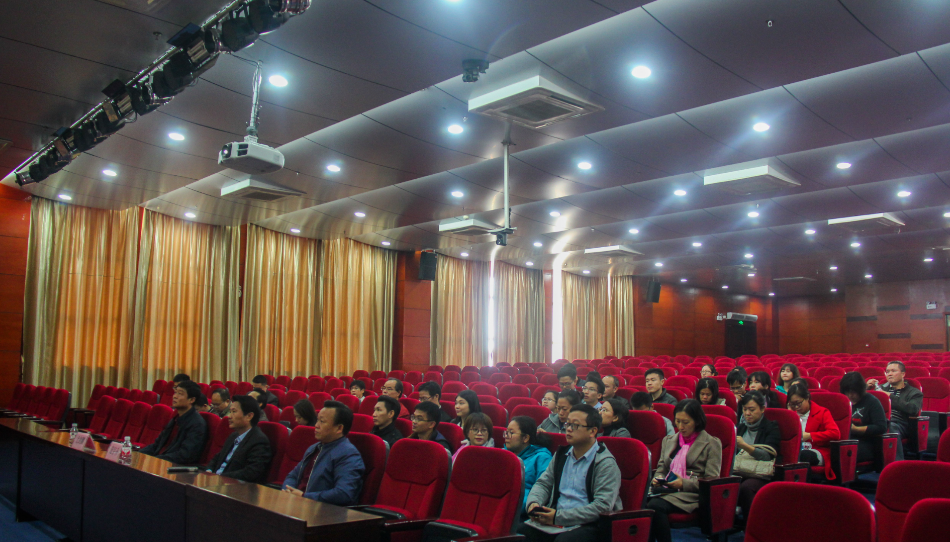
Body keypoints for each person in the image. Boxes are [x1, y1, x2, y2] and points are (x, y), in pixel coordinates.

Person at [519, 404, 622, 541]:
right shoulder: (561, 454)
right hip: (557, 519)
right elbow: (544, 483)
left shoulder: (605, 462)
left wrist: (558, 517)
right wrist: (534, 503)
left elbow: (602, 506)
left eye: (575, 425)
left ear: (592, 431)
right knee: (520, 532)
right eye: (568, 423)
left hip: (589, 524)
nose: (568, 429)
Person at [646, 400, 722, 542]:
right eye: (678, 421)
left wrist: (683, 483)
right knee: (641, 503)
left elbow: (711, 480)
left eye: (685, 422)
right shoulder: (669, 440)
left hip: (692, 494)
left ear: (697, 421)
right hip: (667, 488)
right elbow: (662, 467)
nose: (680, 426)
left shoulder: (712, 444)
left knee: (655, 506)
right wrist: (658, 478)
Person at [282, 401, 364, 505]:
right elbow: (293, 476)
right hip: (297, 504)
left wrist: (304, 497)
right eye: (317, 420)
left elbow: (344, 494)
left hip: (321, 510)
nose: (316, 425)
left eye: (322, 421)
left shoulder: (349, 455)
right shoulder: (314, 448)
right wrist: (288, 491)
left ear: (339, 428)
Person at [204, 395, 272, 483]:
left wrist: (220, 477)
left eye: (234, 412)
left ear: (249, 416)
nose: (229, 416)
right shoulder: (233, 436)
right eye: (230, 412)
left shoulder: (259, 441)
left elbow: (251, 472)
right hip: (216, 482)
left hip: (233, 486)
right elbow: (218, 458)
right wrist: (209, 470)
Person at [735, 392, 780, 522]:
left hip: (761, 473)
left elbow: (767, 455)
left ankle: (751, 525)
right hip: (740, 470)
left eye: (752, 409)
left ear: (762, 409)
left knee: (746, 487)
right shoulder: (741, 428)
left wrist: (745, 446)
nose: (747, 413)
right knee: (721, 482)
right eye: (745, 409)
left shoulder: (771, 427)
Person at [141, 381, 208, 465]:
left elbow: (185, 455)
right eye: (175, 392)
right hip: (160, 461)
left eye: (180, 394)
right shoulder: (175, 419)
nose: (175, 396)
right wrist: (138, 454)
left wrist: (155, 460)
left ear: (191, 400)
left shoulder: (197, 424)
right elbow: (157, 445)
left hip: (173, 467)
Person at [868, 361, 923, 461]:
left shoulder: (914, 392)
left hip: (899, 423)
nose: (889, 374)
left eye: (893, 371)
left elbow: (913, 409)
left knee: (890, 427)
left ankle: (896, 464)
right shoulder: (879, 389)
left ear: (903, 374)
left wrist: (889, 396)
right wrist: (865, 389)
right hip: (876, 420)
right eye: (887, 371)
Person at [786, 383, 839, 481]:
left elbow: (835, 434)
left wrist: (810, 436)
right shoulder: (792, 415)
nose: (796, 407)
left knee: (802, 456)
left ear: (807, 398)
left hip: (817, 450)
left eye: (798, 403)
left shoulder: (822, 412)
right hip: (797, 449)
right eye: (793, 404)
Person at [505, 416, 553, 518]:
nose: (506, 436)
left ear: (525, 438)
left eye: (511, 433)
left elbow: (543, 489)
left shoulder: (541, 457)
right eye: (506, 432)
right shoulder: (502, 454)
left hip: (521, 510)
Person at [840, 371, 887, 463]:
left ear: (860, 390)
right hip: (844, 440)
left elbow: (881, 427)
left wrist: (856, 429)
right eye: (847, 392)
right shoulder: (842, 401)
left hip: (865, 442)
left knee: (842, 454)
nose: (850, 395)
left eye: (853, 392)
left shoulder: (872, 401)